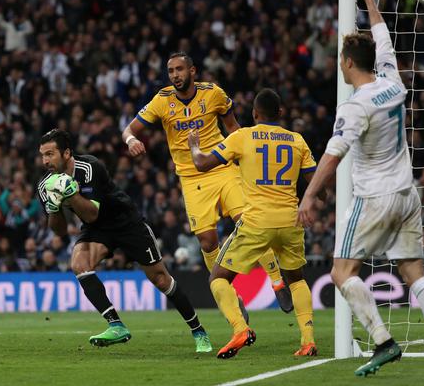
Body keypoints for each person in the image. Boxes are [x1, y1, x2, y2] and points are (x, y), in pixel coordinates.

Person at [298, 0, 424, 376]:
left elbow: (333, 157)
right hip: (407, 195)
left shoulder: (354, 105)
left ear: (348, 63)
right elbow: (382, 35)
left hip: (375, 197)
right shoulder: (393, 82)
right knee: (414, 274)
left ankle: (383, 342)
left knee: (341, 272)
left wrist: (310, 196)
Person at [122, 52, 293, 313]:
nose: (175, 75)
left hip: (221, 167)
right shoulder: (162, 101)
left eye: (180, 69)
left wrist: (248, 158)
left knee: (247, 222)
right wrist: (131, 141)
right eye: (171, 71)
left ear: (193, 71)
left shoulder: (213, 94)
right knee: (207, 241)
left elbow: (233, 128)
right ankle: (230, 295)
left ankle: (277, 281)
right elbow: (129, 129)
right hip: (191, 178)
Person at [37, 129, 217, 353]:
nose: (45, 161)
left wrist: (72, 195)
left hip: (126, 222)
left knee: (161, 280)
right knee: (79, 264)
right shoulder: (45, 185)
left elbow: (92, 212)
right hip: (97, 229)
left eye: (50, 154)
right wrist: (53, 209)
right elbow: (60, 230)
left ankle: (198, 331)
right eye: (43, 155)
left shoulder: (90, 167)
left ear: (66, 153)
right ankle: (116, 325)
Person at [188, 88, 319, 359]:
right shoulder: (297, 140)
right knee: (296, 280)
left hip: (256, 222)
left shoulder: (243, 136)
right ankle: (307, 341)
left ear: (254, 114)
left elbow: (201, 164)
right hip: (290, 221)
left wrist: (193, 145)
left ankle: (240, 329)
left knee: (218, 278)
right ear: (280, 113)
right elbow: (319, 186)